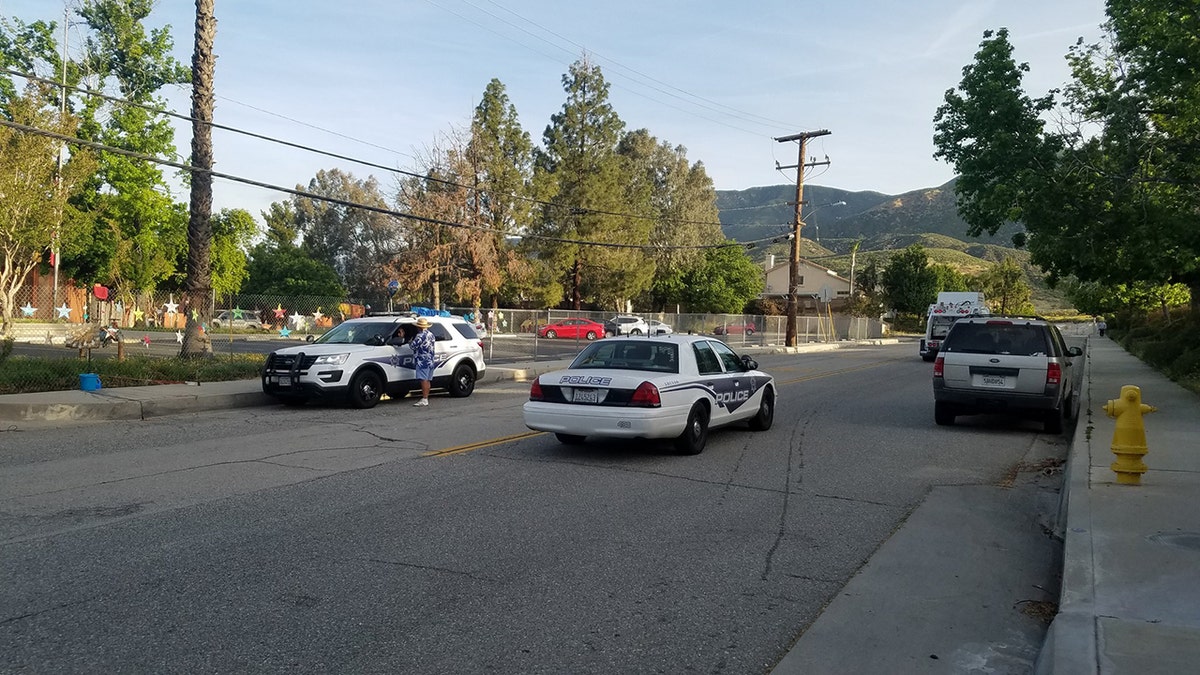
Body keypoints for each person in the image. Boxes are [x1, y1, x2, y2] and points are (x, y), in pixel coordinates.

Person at [410, 317, 436, 406]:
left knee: (423, 379)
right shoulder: (431, 335)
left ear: (419, 327)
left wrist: (409, 341)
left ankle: (424, 399)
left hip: (422, 360)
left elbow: (413, 346)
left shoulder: (420, 336)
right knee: (428, 380)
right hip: (430, 360)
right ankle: (426, 397)